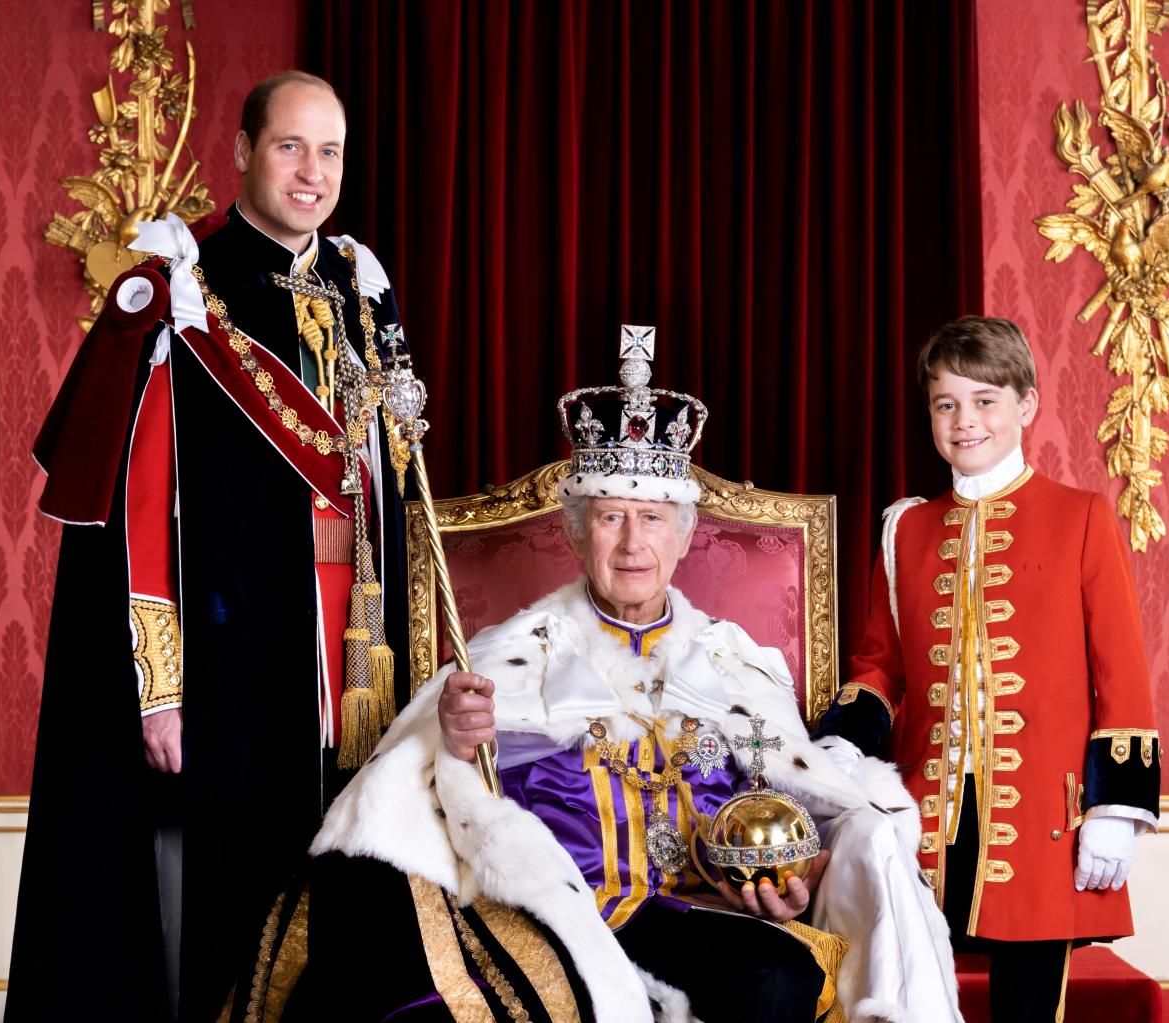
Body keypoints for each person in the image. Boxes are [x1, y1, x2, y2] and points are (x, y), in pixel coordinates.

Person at [240, 329, 962, 1022]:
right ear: (578, 531)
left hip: (693, 913)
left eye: (651, 517)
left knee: (780, 973)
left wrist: (789, 877)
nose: (632, 542)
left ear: (685, 535)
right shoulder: (509, 654)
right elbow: (422, 797)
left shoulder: (735, 662)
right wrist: (457, 746)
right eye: (611, 517)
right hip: (554, 916)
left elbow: (798, 808)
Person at [7, 71, 418, 1021]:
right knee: (234, 914)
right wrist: (161, 690)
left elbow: (393, 493)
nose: (312, 173)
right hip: (233, 662)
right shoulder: (179, 287)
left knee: (349, 912)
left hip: (357, 655)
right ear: (240, 151)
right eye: (290, 147)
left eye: (331, 152)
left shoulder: (363, 288)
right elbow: (140, 506)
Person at [816, 315, 1162, 1023]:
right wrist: (837, 746)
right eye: (946, 404)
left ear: (1026, 405)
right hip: (929, 811)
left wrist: (1116, 808)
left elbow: (1121, 672)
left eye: (984, 400)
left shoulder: (1083, 515)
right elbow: (882, 663)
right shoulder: (906, 528)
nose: (964, 420)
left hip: (1045, 817)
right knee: (912, 995)